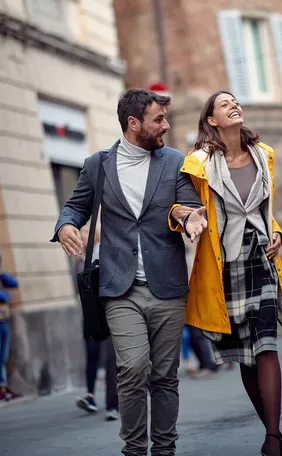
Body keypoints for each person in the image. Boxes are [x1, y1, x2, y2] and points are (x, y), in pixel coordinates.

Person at [52, 89, 207, 456]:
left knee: (165, 377)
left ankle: (164, 449)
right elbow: (74, 207)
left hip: (167, 284)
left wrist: (189, 218)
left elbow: (189, 205)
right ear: (133, 123)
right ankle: (135, 450)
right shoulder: (98, 164)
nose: (166, 125)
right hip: (119, 287)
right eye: (159, 119)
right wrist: (65, 226)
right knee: (133, 368)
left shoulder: (173, 161)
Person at [178, 91, 282, 456]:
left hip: (261, 260)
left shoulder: (265, 154)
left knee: (266, 347)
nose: (234, 106)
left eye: (235, 101)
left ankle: (273, 439)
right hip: (224, 266)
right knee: (245, 355)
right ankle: (273, 436)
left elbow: (265, 210)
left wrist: (276, 232)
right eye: (224, 104)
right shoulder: (198, 163)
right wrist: (187, 219)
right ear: (212, 120)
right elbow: (182, 207)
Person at [74, 225, 119, 420]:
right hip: (90, 313)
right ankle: (90, 395)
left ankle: (113, 404)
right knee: (92, 354)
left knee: (112, 359)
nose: (82, 235)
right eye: (80, 232)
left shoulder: (105, 252)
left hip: (109, 311)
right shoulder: (81, 258)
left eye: (84, 232)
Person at [0, 250, 19, 402]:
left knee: (3, 357)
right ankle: (2, 388)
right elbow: (4, 296)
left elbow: (14, 283)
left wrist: (2, 274)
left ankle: (4, 387)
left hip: (4, 321)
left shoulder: (1, 277)